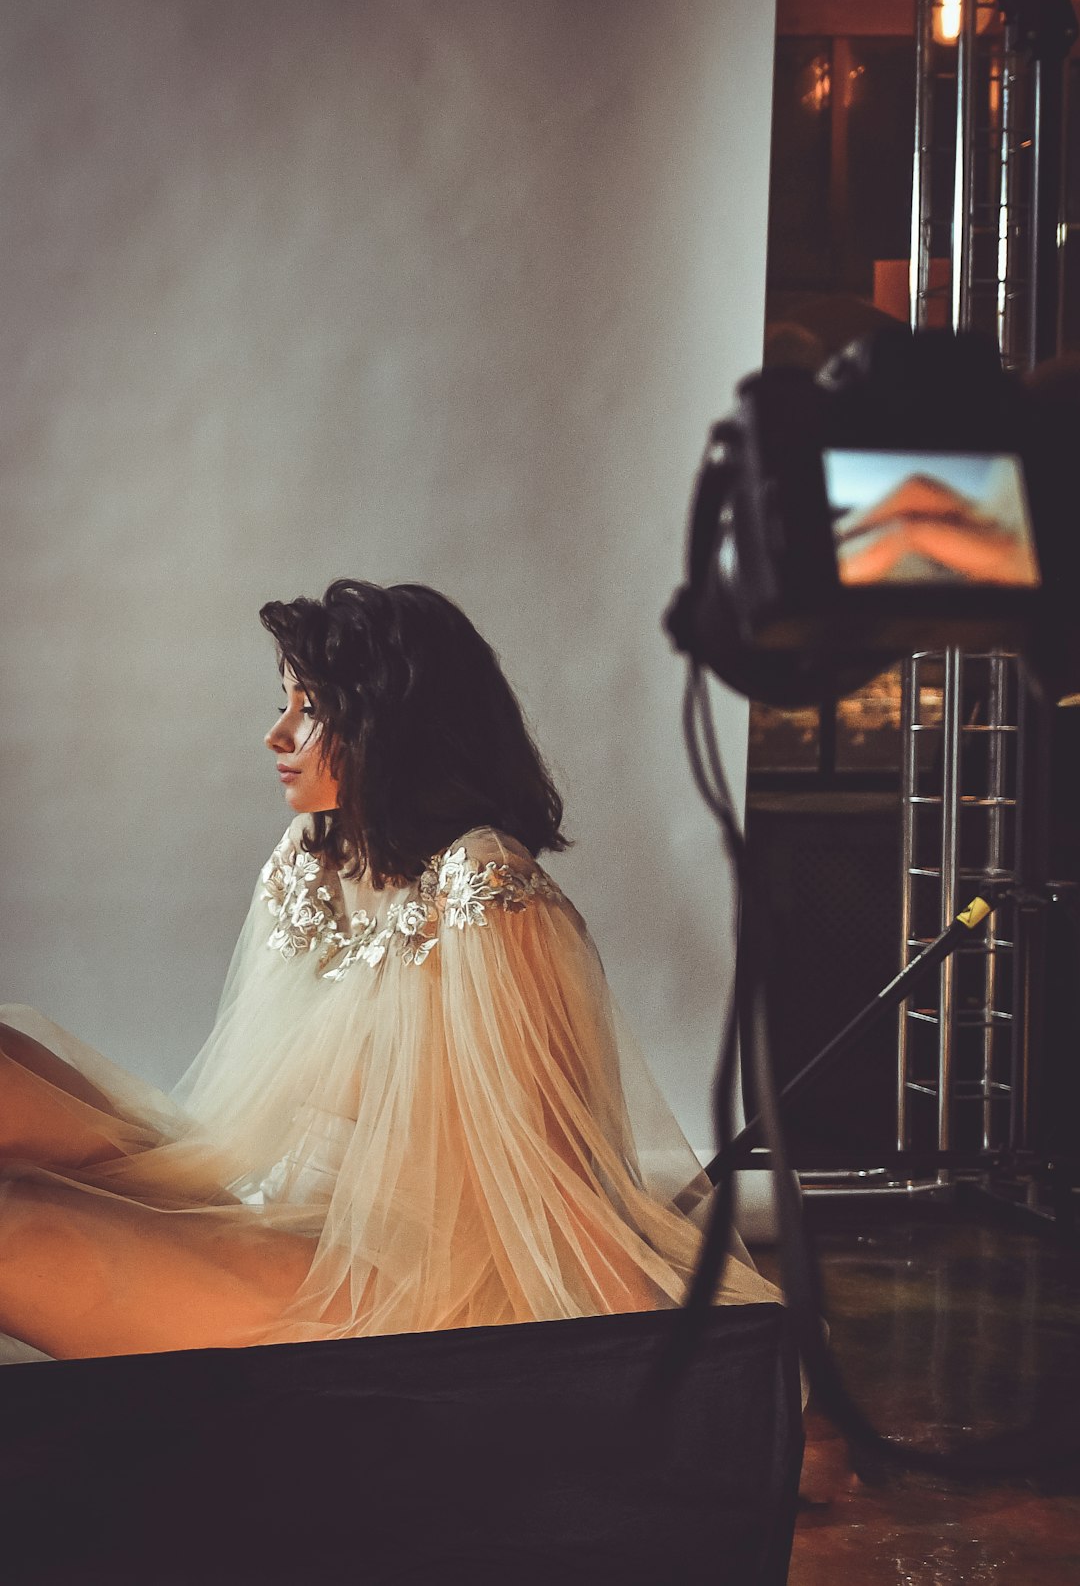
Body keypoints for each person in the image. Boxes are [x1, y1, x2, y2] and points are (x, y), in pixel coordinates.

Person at [0, 580, 777, 1361]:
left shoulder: (485, 892)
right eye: (286, 703)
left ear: (390, 726)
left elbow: (564, 1198)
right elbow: (257, 1118)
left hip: (409, 1287)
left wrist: (677, 1389)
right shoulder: (315, 852)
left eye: (309, 710)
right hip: (280, 1214)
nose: (277, 734)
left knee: (14, 1227)